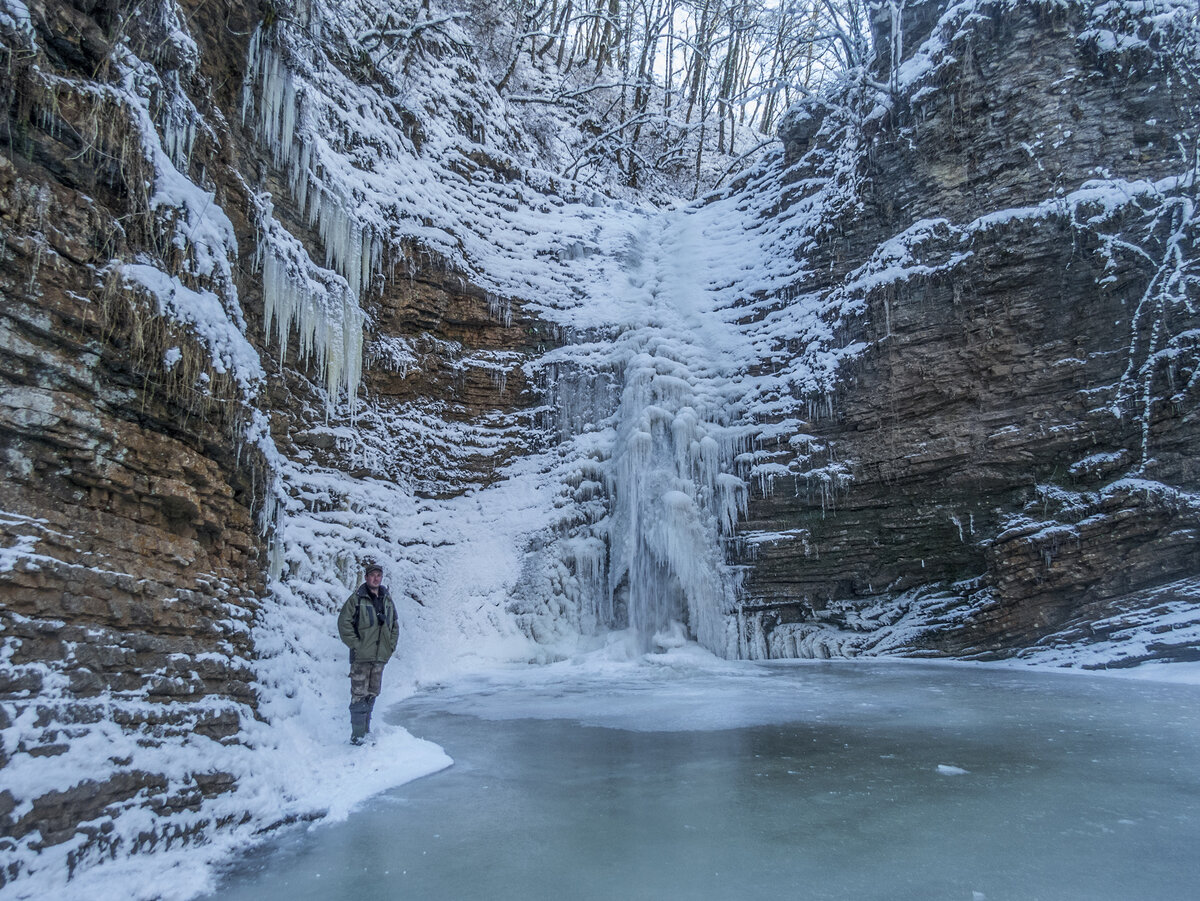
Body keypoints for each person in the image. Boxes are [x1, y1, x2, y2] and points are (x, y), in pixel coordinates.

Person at [337, 562, 399, 744]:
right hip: (361, 658)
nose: (376, 578)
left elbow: (394, 625)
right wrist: (356, 645)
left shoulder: (387, 600)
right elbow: (344, 623)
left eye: (379, 575)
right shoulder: (356, 599)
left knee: (372, 693)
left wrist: (390, 647)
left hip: (380, 657)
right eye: (372, 575)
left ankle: (366, 731)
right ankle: (357, 736)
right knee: (358, 695)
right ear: (366, 577)